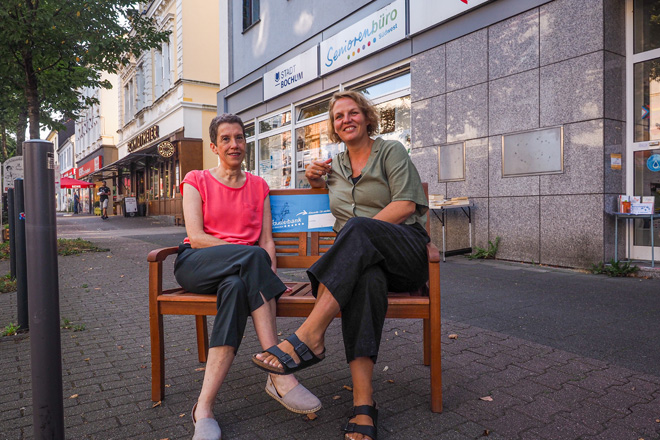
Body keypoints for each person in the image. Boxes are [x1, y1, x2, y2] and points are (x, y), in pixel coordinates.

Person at [252, 91, 430, 440]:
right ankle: (365, 403)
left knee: (359, 229)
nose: (346, 120)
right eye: (338, 117)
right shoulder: (337, 167)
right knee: (366, 282)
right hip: (363, 264)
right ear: (334, 127)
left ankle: (310, 334)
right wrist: (315, 177)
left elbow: (407, 204)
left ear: (367, 118)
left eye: (353, 113)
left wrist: (363, 236)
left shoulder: (390, 151)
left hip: (405, 252)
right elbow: (321, 187)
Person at [175, 114, 321, 440]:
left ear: (246, 144)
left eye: (239, 138)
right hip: (198, 265)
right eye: (225, 139)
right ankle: (277, 368)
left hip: (239, 273)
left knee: (238, 286)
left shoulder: (259, 186)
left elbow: (267, 240)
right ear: (214, 146)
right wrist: (250, 258)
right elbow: (196, 237)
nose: (234, 144)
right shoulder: (196, 179)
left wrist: (265, 279)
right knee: (250, 257)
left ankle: (204, 408)